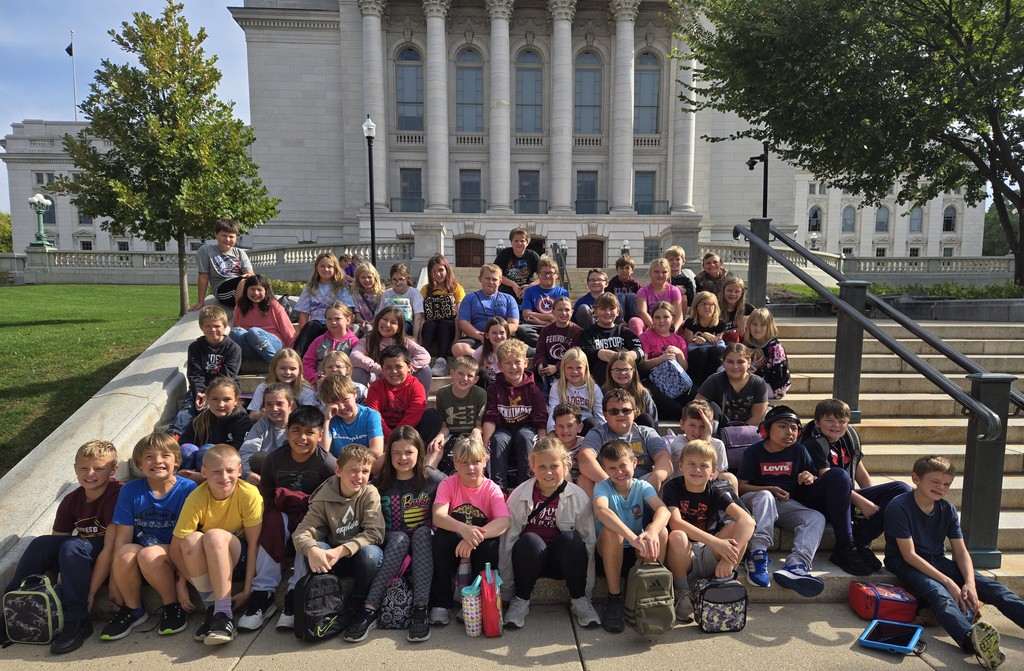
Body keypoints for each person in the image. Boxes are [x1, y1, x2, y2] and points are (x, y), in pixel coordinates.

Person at [885, 455, 1023, 670]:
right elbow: (909, 555)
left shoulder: (947, 509)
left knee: (995, 589)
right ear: (916, 478)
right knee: (939, 593)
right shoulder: (899, 506)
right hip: (905, 563)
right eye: (935, 481)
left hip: (937, 560)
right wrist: (949, 582)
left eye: (947, 484)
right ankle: (971, 641)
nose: (941, 488)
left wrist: (970, 583)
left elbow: (960, 552)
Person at [2, 440, 122, 654]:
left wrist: (91, 593)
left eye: (98, 468)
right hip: (79, 553)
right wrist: (49, 592)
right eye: (84, 468)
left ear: (113, 469)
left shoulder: (117, 494)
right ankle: (11, 610)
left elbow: (111, 549)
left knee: (73, 546)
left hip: (111, 554)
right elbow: (55, 545)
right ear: (75, 469)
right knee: (41, 544)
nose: (90, 473)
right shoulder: (71, 500)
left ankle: (78, 619)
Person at [238, 405, 336, 632]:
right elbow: (267, 494)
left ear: (319, 435)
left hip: (312, 518)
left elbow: (331, 503)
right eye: (296, 431)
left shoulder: (327, 463)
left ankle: (294, 593)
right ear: (288, 432)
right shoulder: (275, 459)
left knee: (307, 531)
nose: (302, 438)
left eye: (309, 432)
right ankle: (263, 594)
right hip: (281, 514)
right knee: (270, 522)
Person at [349, 426, 445, 643]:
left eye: (409, 452)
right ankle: (369, 609)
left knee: (421, 532)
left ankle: (420, 609)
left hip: (424, 548)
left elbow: (457, 491)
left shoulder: (434, 479)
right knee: (401, 537)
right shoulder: (379, 484)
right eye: (396, 452)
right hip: (392, 546)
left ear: (419, 452)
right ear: (388, 454)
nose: (403, 458)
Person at [102, 434, 198, 641]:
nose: (158, 461)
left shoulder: (188, 489)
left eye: (165, 455)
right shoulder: (130, 491)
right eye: (149, 457)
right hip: (145, 552)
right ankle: (133, 609)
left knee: (149, 554)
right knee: (125, 552)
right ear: (139, 464)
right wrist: (114, 584)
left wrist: (182, 582)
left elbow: (189, 540)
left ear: (176, 460)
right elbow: (123, 538)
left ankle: (172, 606)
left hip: (177, 552)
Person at [499, 437, 600, 629]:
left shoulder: (577, 497)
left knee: (572, 540)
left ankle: (578, 600)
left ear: (565, 465)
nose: (548, 472)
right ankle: (521, 600)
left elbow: (589, 543)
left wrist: (587, 592)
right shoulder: (519, 495)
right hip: (530, 561)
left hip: (562, 562)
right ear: (532, 465)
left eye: (554, 466)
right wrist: (506, 590)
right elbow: (508, 541)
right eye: (542, 466)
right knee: (528, 541)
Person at [802, 398, 911, 572]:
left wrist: (873, 498)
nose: (836, 425)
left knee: (901, 489)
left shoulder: (849, 438)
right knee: (838, 475)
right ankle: (845, 546)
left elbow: (859, 471)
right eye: (829, 420)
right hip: (819, 501)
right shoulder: (812, 443)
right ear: (817, 422)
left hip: (845, 498)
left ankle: (861, 539)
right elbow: (829, 478)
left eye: (841, 421)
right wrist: (863, 502)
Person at [286, 444, 385, 634]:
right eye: (353, 470)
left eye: (365, 471)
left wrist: (341, 550)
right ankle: (326, 601)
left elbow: (375, 533)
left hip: (358, 559)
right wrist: (312, 550)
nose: (359, 476)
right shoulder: (323, 497)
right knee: (316, 547)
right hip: (332, 560)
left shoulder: (369, 493)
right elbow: (301, 533)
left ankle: (356, 602)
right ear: (338, 470)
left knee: (371, 554)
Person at [171, 445, 263, 645]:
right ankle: (214, 608)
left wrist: (248, 590)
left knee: (213, 537)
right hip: (210, 562)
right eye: (216, 471)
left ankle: (224, 614)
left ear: (239, 470)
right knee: (191, 540)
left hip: (239, 558)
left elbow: (255, 544)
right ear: (203, 472)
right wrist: (181, 582)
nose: (224, 477)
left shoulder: (249, 494)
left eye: (230, 470)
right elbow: (176, 548)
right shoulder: (195, 498)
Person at [737, 406, 826, 597]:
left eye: (794, 428)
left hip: (785, 505)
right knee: (766, 497)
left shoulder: (800, 451)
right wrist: (767, 489)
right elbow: (740, 486)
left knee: (816, 518)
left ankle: (796, 565)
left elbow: (815, 477)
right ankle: (757, 554)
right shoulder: (754, 452)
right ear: (766, 430)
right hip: (756, 502)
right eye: (783, 426)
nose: (790, 432)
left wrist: (809, 477)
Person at [663, 439, 754, 622]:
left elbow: (748, 522)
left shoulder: (715, 491)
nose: (697, 470)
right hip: (684, 556)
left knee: (737, 526)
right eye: (691, 464)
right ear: (680, 466)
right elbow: (676, 523)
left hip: (710, 553)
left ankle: (722, 582)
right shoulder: (672, 487)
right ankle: (682, 591)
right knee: (678, 536)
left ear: (712, 471)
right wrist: (716, 542)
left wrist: (729, 560)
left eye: (703, 466)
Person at [428, 435, 511, 625]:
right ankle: (441, 602)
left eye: (476, 462)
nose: (471, 467)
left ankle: (476, 599)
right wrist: (463, 529)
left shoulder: (491, 488)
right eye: (464, 463)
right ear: (455, 463)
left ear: (485, 461)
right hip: (454, 538)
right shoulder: (448, 483)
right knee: (441, 537)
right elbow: (438, 516)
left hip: (478, 543)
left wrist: (471, 537)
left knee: (490, 544)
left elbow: (504, 521)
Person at [592, 438, 670, 634]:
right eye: (612, 468)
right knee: (612, 533)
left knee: (660, 531)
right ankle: (614, 597)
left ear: (634, 463)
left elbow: (664, 511)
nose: (618, 472)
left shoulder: (641, 486)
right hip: (610, 553)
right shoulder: (602, 487)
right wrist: (631, 536)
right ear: (605, 469)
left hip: (638, 550)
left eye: (622, 466)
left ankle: (650, 593)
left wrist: (650, 531)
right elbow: (602, 511)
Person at [577, 389, 674, 496]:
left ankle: (657, 512)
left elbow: (664, 457)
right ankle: (594, 513)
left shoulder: (647, 433)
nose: (620, 415)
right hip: (608, 484)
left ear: (634, 412)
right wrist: (610, 484)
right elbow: (585, 459)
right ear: (605, 415)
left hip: (643, 485)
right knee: (584, 480)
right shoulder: (597, 433)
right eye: (614, 411)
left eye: (626, 410)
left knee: (666, 480)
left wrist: (656, 478)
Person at [481, 338, 548, 490]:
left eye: (517, 362)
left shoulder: (533, 389)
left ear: (525, 362)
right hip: (502, 427)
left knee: (526, 438)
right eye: (508, 363)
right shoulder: (494, 389)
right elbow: (491, 416)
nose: (513, 367)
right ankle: (498, 489)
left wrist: (543, 437)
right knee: (497, 440)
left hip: (525, 426)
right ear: (499, 366)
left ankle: (527, 486)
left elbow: (540, 416)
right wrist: (485, 442)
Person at [167, 305, 241, 437]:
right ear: (201, 327)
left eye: (217, 326)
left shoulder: (233, 348)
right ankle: (174, 435)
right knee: (187, 409)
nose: (213, 330)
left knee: (234, 411)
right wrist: (200, 393)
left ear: (224, 326)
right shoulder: (195, 347)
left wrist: (210, 394)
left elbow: (228, 375)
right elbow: (195, 374)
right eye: (208, 326)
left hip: (226, 387)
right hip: (200, 389)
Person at [178, 377, 254, 480]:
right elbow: (184, 441)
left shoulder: (243, 422)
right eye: (215, 399)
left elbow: (239, 451)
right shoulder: (200, 420)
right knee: (186, 449)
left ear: (236, 400)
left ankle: (203, 480)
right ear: (207, 399)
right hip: (197, 469)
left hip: (224, 472)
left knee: (208, 450)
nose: (220, 404)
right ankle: (186, 480)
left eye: (227, 399)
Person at [365, 345, 441, 446]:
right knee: (365, 417)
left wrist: (398, 437)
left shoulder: (416, 386)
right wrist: (391, 437)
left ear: (409, 367)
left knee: (433, 416)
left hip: (409, 429)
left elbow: (414, 415)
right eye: (388, 368)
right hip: (383, 429)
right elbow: (374, 415)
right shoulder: (376, 387)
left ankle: (416, 450)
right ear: (382, 369)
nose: (394, 371)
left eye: (398, 367)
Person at [292, 251, 356, 359]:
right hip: (316, 325)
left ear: (335, 268)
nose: (326, 269)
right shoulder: (310, 289)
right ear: (317, 267)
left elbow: (348, 311)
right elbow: (304, 315)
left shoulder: (341, 288)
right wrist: (303, 334)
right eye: (322, 266)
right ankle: (295, 359)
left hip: (334, 323)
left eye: (329, 266)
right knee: (311, 326)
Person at [350, 307, 432, 391]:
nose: (387, 324)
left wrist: (406, 370)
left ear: (398, 328)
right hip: (379, 379)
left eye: (393, 322)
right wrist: (378, 369)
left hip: (401, 380)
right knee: (357, 371)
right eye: (384, 319)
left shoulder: (405, 342)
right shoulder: (367, 340)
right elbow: (354, 356)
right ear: (378, 320)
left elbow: (424, 355)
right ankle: (364, 403)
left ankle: (420, 403)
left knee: (425, 370)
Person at [429, 356, 487, 473]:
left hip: (471, 433)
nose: (464, 378)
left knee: (476, 450)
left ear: (476, 379)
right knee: (435, 448)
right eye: (460, 373)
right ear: (452, 373)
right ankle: (429, 479)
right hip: (451, 433)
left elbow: (479, 424)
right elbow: (445, 425)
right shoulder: (442, 393)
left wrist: (477, 430)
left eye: (470, 375)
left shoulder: (480, 394)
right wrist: (440, 435)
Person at [452, 264, 521, 356]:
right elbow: (463, 323)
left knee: (519, 350)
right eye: (487, 278)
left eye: (494, 279)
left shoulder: (509, 299)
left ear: (500, 281)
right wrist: (481, 336)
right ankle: (487, 357)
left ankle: (487, 357)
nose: (491, 282)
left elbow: (513, 323)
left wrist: (498, 334)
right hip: (477, 337)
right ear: (480, 279)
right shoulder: (469, 298)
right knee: (458, 348)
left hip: (501, 337)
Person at [639, 301, 691, 421]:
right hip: (650, 380)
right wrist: (661, 359)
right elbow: (642, 366)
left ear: (672, 319)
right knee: (678, 410)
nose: (661, 321)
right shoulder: (645, 337)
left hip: (675, 380)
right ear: (652, 319)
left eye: (666, 317)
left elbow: (685, 368)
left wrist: (679, 353)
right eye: (657, 317)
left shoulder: (679, 340)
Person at [695, 344, 770, 428]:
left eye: (740, 362)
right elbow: (696, 405)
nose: (735, 366)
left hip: (748, 431)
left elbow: (757, 418)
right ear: (723, 362)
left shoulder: (758, 383)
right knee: (710, 406)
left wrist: (736, 433)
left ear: (749, 362)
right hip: (719, 429)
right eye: (730, 362)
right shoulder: (715, 380)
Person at [578, 292, 644, 387]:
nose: (608, 312)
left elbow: (640, 351)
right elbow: (582, 354)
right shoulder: (588, 333)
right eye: (603, 309)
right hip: (599, 384)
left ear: (618, 311)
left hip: (626, 383)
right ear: (595, 311)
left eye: (612, 308)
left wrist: (630, 355)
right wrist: (598, 353)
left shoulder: (626, 332)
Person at [189, 219, 253, 311]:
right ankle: (239, 313)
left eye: (231, 236)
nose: (227, 239)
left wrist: (251, 277)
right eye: (224, 235)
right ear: (216, 235)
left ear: (236, 238)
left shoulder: (239, 253)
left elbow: (250, 273)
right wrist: (200, 302)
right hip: (222, 289)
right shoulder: (206, 250)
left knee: (259, 281)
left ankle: (276, 305)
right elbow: (203, 276)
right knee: (244, 283)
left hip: (240, 285)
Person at [229, 274, 295, 362]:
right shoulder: (240, 306)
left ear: (265, 291)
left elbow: (287, 330)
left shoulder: (273, 305)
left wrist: (292, 353)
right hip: (252, 346)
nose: (256, 293)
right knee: (235, 332)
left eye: (259, 290)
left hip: (273, 343)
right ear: (246, 290)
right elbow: (236, 328)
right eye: (252, 289)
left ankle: (275, 363)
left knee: (254, 332)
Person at [239, 383, 295, 484]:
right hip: (265, 475)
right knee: (259, 458)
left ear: (290, 405)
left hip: (291, 473)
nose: (274, 408)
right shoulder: (262, 423)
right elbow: (246, 452)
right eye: (269, 404)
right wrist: (248, 473)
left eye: (279, 404)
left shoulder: (298, 425)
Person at [319, 374, 384, 459]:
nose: (342, 407)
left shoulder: (370, 415)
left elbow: (376, 450)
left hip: (364, 464)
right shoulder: (329, 418)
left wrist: (348, 462)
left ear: (354, 394)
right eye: (335, 403)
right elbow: (323, 451)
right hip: (338, 467)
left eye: (345, 400)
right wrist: (326, 420)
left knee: (384, 458)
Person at [420, 253, 465, 377]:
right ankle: (423, 359)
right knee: (429, 324)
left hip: (448, 327)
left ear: (447, 270)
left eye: (441, 270)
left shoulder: (456, 288)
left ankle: (442, 362)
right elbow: (422, 315)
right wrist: (419, 336)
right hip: (431, 326)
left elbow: (458, 314)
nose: (438, 274)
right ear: (430, 273)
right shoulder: (426, 289)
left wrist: (457, 338)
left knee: (445, 323)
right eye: (434, 271)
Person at [546, 347, 604, 434]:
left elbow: (600, 416)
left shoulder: (594, 388)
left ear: (586, 369)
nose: (574, 371)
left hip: (586, 428)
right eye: (570, 368)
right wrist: (552, 432)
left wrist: (605, 435)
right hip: (565, 428)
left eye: (579, 368)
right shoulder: (557, 387)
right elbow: (552, 413)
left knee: (592, 423)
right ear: (563, 368)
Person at [250, 348, 318, 421]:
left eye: (293, 369)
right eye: (282, 368)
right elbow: (252, 416)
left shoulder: (305, 390)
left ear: (299, 370)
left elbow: (310, 416)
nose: (288, 372)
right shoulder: (263, 387)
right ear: (274, 368)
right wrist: (261, 413)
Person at [516, 255, 569, 347]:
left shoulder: (563, 293)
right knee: (522, 329)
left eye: (550, 273)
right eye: (543, 273)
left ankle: (541, 347)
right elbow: (526, 314)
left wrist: (540, 321)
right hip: (534, 327)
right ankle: (547, 346)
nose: (547, 276)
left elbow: (561, 316)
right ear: (538, 275)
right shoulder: (530, 291)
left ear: (556, 275)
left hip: (554, 327)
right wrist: (549, 318)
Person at [302, 301, 360, 384]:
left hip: (345, 385)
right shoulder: (318, 341)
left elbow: (357, 367)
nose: (333, 322)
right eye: (329, 319)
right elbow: (307, 363)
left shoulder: (354, 343)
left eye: (337, 319)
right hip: (320, 384)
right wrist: (314, 378)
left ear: (348, 320)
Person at [534, 295, 582, 395]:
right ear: (553, 312)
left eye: (567, 310)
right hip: (547, 371)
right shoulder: (546, 330)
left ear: (572, 312)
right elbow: (540, 352)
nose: (563, 313)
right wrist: (540, 364)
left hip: (567, 371)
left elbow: (575, 358)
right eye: (560, 310)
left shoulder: (577, 331)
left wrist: (556, 367)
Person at [681, 291, 727, 390]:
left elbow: (717, 342)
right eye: (703, 304)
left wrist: (705, 336)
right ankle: (695, 385)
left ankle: (712, 384)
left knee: (716, 351)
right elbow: (688, 343)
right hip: (697, 356)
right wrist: (700, 337)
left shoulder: (720, 324)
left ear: (715, 307)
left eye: (711, 304)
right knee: (701, 352)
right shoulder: (690, 322)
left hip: (713, 356)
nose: (707, 307)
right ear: (696, 307)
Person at [602, 352, 659, 429]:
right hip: (612, 434)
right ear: (610, 372)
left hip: (637, 435)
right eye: (617, 370)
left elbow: (653, 420)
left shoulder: (642, 393)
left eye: (626, 369)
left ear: (634, 371)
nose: (622, 373)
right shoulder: (603, 391)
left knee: (646, 419)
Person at [744, 308, 791, 399]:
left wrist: (758, 371)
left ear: (769, 326)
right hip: (753, 378)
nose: (758, 328)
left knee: (741, 390)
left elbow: (779, 377)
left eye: (763, 325)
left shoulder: (775, 348)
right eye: (754, 324)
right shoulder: (749, 343)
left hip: (774, 386)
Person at [631, 258, 684, 336]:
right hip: (650, 327)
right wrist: (655, 327)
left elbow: (679, 314)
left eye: (664, 272)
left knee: (685, 324)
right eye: (656, 272)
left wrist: (672, 331)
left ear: (669, 274)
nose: (660, 275)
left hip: (670, 327)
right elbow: (642, 312)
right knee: (634, 321)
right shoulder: (643, 291)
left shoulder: (674, 291)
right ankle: (640, 345)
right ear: (650, 273)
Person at [378, 262, 424, 340]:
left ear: (407, 278)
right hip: (388, 322)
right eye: (394, 280)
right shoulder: (387, 294)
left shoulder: (414, 293)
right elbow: (380, 314)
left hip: (405, 324)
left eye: (401, 279)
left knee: (399, 329)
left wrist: (415, 337)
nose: (398, 282)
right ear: (391, 279)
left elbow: (418, 318)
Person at [494, 226, 541, 299]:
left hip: (528, 294)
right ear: (511, 242)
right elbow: (495, 274)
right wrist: (513, 284)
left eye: (522, 241)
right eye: (516, 241)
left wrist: (530, 286)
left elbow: (543, 275)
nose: (519, 243)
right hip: (506, 295)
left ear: (527, 243)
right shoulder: (504, 254)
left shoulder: (532, 255)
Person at [469, 316, 511, 387]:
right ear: (487, 335)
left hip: (505, 386)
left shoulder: (512, 352)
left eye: (502, 333)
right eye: (494, 333)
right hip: (488, 387)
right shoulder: (481, 351)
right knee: (480, 373)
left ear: (507, 334)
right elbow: (470, 368)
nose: (498, 336)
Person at [351, 263, 385, 337]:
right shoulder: (356, 294)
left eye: (369, 277)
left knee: (369, 328)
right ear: (358, 279)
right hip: (362, 324)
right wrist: (363, 322)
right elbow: (357, 315)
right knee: (355, 328)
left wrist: (370, 323)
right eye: (363, 277)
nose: (367, 280)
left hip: (377, 323)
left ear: (375, 278)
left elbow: (381, 313)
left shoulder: (382, 294)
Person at [718, 276, 754, 344]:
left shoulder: (747, 308)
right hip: (718, 343)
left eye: (737, 291)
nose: (733, 294)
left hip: (739, 345)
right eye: (729, 290)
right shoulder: (715, 306)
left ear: (742, 293)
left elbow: (763, 316)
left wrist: (746, 318)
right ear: (723, 291)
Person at [606, 254, 640, 323]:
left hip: (632, 311)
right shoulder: (612, 283)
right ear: (617, 270)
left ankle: (635, 321)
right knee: (619, 296)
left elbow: (642, 299)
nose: (624, 271)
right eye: (621, 268)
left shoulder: (635, 284)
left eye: (627, 268)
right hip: (617, 312)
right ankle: (620, 321)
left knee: (632, 295)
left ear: (632, 270)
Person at [664, 245, 695, 312]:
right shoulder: (664, 279)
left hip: (680, 309)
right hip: (665, 307)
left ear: (683, 261)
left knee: (684, 297)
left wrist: (685, 291)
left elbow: (691, 300)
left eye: (677, 259)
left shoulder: (686, 281)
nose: (674, 262)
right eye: (671, 259)